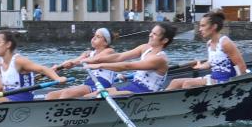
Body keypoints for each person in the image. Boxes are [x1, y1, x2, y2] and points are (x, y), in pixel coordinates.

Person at [46, 23, 175, 99]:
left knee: (95, 96)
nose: (150, 35)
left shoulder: (160, 59)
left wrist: (100, 64)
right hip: (132, 86)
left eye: (155, 34)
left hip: (146, 93)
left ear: (164, 40)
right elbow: (119, 57)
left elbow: (127, 66)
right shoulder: (144, 48)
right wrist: (91, 61)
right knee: (90, 96)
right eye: (151, 32)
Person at [166, 10, 248, 89]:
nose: (200, 29)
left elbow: (241, 66)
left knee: (188, 84)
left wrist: (239, 86)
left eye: (203, 26)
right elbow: (211, 62)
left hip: (226, 81)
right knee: (175, 82)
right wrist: (201, 66)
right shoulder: (209, 43)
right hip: (213, 78)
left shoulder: (225, 43)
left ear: (214, 27)